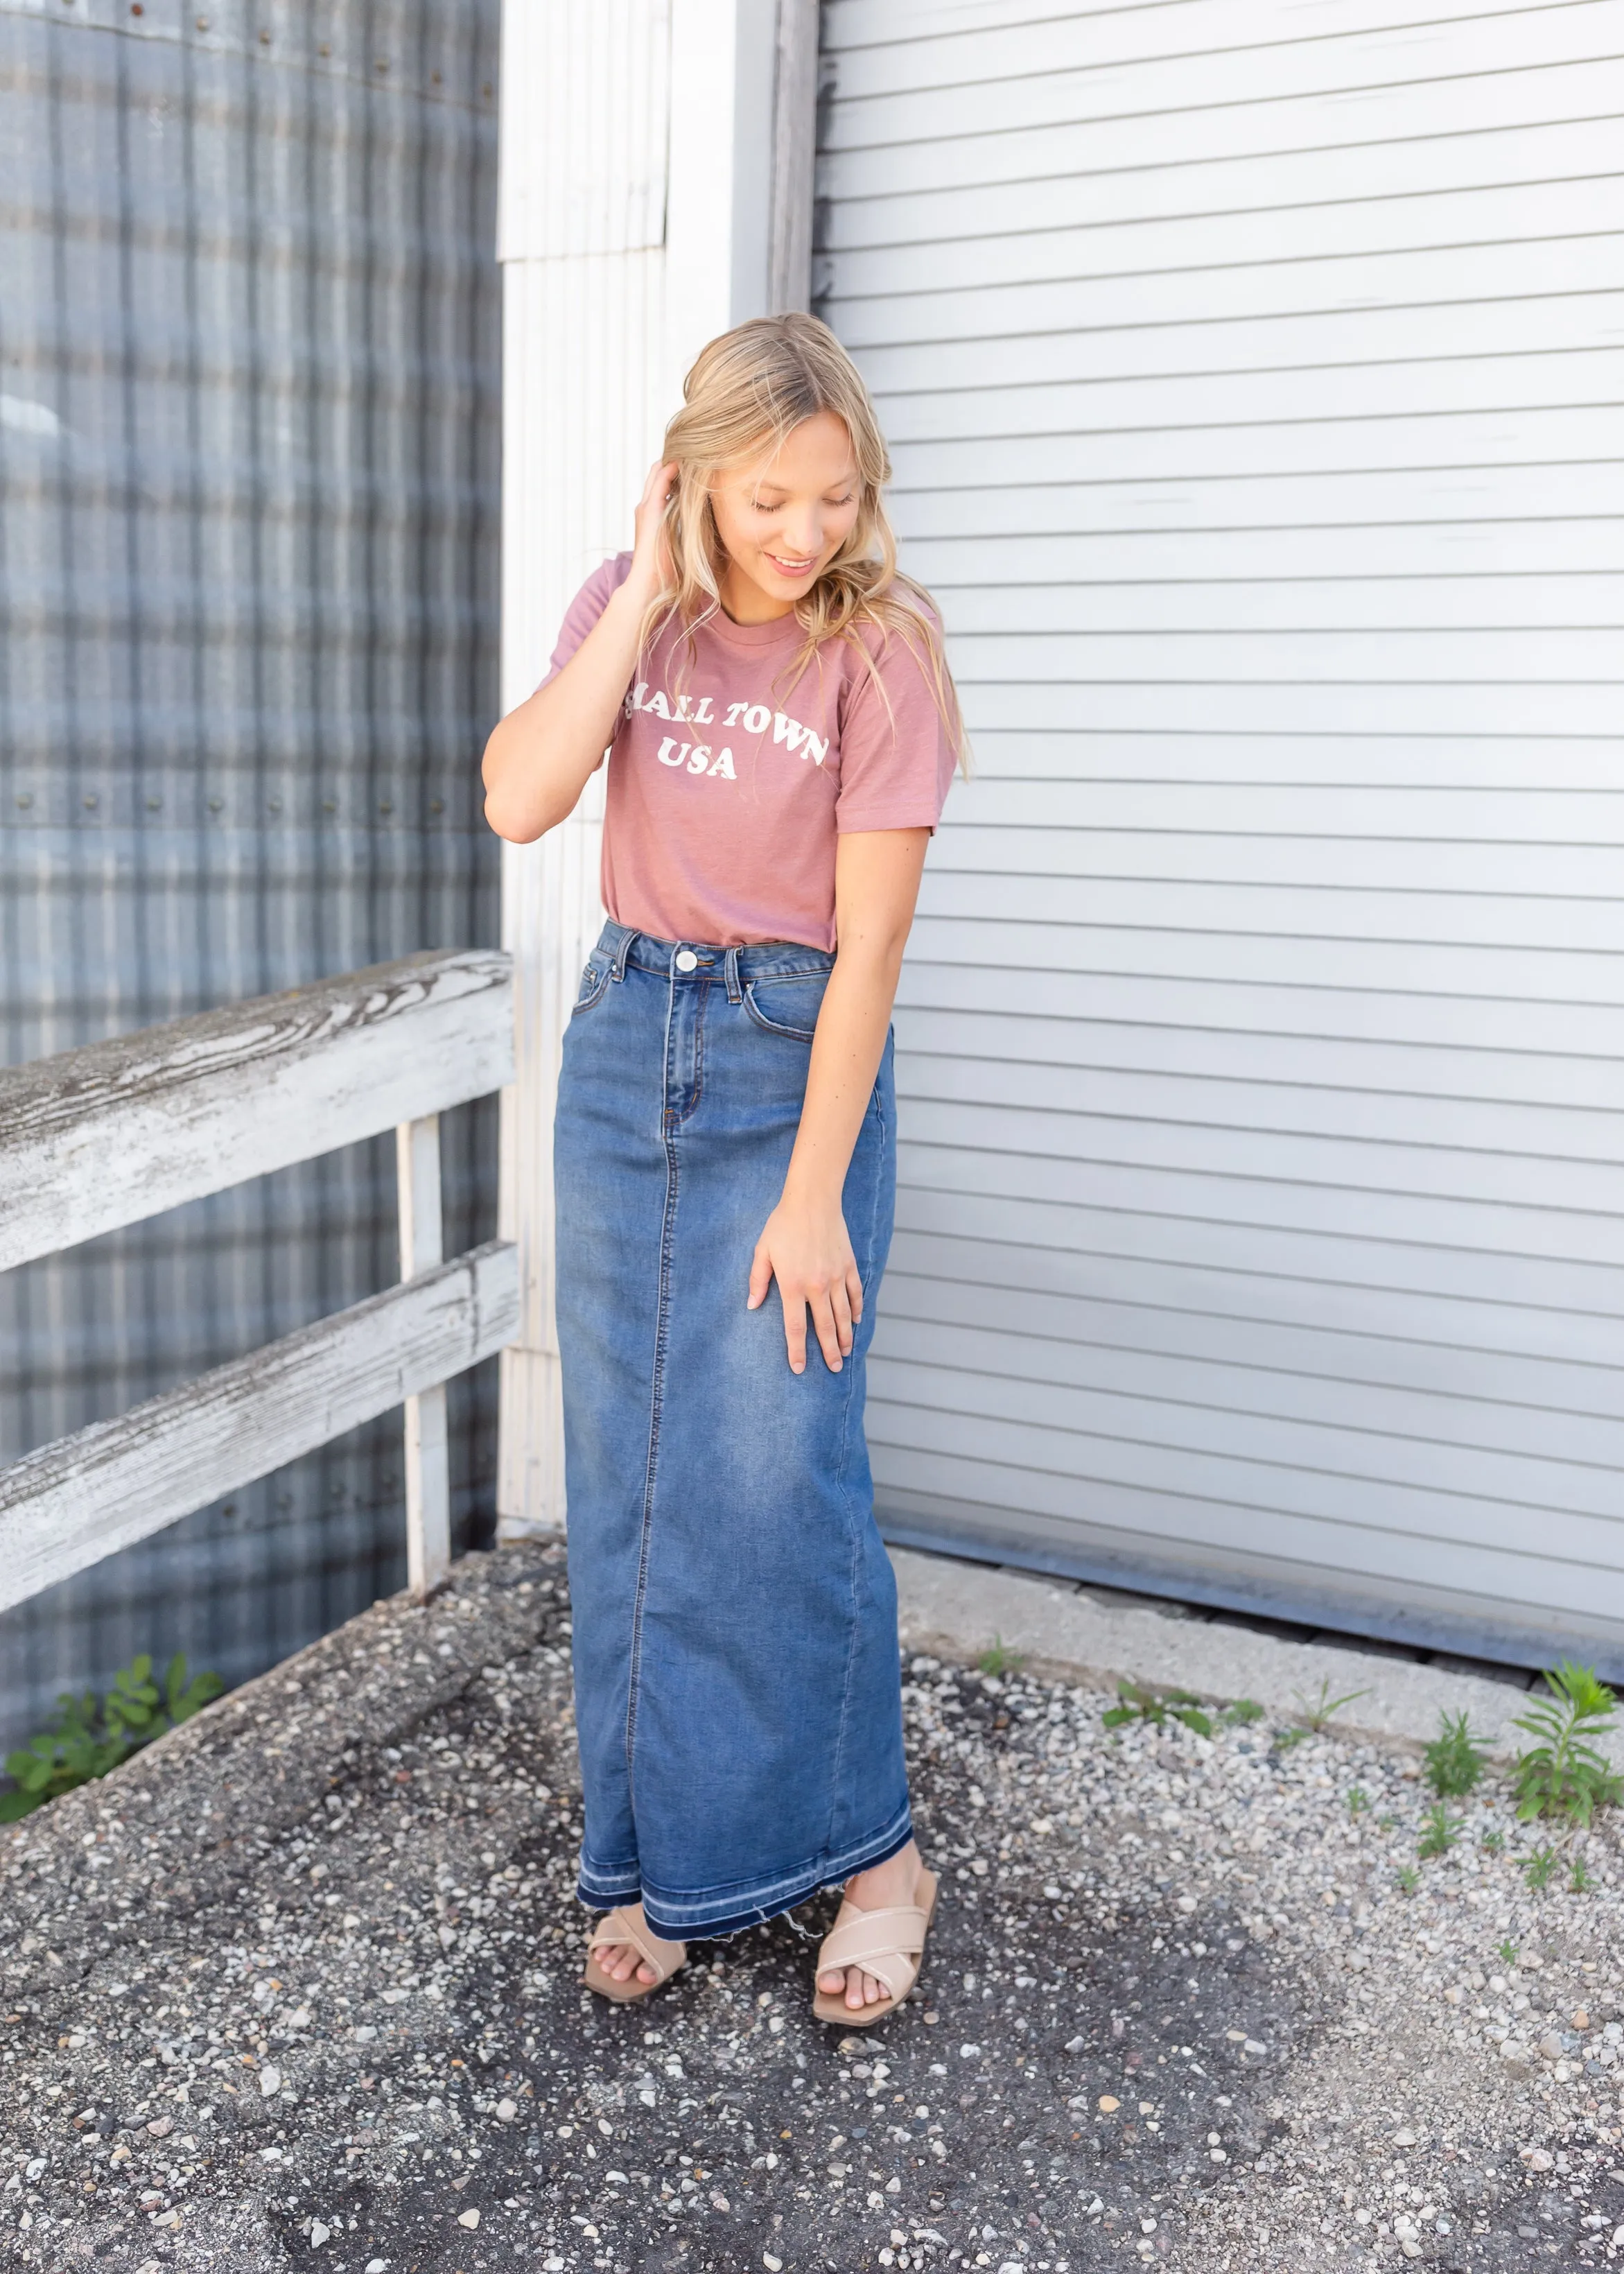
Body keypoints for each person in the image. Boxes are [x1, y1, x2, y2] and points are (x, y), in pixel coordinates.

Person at [482, 313, 965, 2024]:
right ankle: (659, 1864)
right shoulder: (638, 610)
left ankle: (875, 1855)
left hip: (788, 1058)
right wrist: (641, 594)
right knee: (636, 1472)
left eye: (833, 498)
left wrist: (816, 1184)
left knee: (779, 1466)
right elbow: (522, 797)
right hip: (628, 1048)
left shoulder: (880, 655)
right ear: (696, 479)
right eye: (770, 496)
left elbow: (872, 954)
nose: (805, 533)